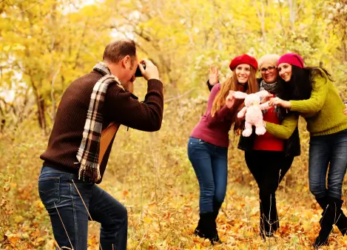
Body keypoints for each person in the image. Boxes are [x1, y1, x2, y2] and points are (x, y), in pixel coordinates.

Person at [38, 39, 164, 250]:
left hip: (67, 179)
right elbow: (152, 119)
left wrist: (129, 85)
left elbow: (126, 107)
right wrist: (154, 80)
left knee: (116, 217)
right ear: (126, 61)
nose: (133, 75)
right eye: (133, 68)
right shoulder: (107, 90)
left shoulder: (90, 82)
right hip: (66, 182)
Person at [268, 53, 347, 247]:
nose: (282, 71)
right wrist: (262, 123)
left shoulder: (316, 76)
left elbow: (317, 103)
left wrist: (286, 103)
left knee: (334, 184)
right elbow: (287, 129)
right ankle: (344, 224)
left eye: (285, 67)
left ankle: (323, 235)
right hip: (318, 139)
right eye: (279, 69)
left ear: (296, 67)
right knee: (316, 186)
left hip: (342, 134)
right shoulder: (291, 93)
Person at [189, 54, 259, 244]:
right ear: (234, 71)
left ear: (252, 73)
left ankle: (201, 229)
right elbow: (211, 120)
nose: (243, 72)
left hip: (220, 147)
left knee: (220, 194)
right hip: (200, 142)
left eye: (247, 69)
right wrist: (227, 107)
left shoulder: (250, 95)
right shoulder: (220, 88)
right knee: (209, 189)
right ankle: (212, 236)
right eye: (240, 68)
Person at [236, 54, 301, 239]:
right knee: (266, 190)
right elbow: (231, 89)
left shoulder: (288, 90)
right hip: (254, 151)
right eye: (263, 69)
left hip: (281, 152)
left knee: (266, 189)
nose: (267, 72)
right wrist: (212, 84)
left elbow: (309, 97)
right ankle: (271, 228)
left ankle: (267, 231)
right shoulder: (253, 87)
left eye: (271, 67)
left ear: (278, 69)